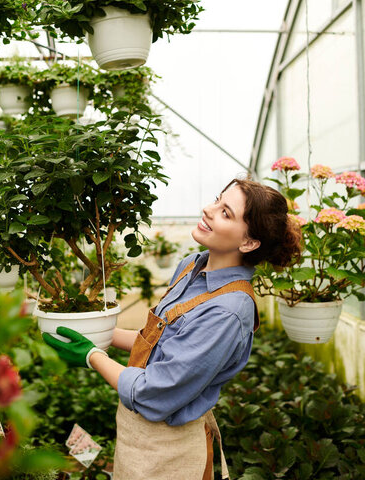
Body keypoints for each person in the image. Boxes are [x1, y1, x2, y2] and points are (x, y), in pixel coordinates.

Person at [43, 177, 302, 480]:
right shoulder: (192, 265)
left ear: (248, 243)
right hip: (135, 436)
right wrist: (100, 334)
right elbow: (159, 342)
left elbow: (155, 390)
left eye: (225, 213)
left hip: (170, 451)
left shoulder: (228, 312)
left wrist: (92, 356)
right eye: (217, 200)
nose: (208, 209)